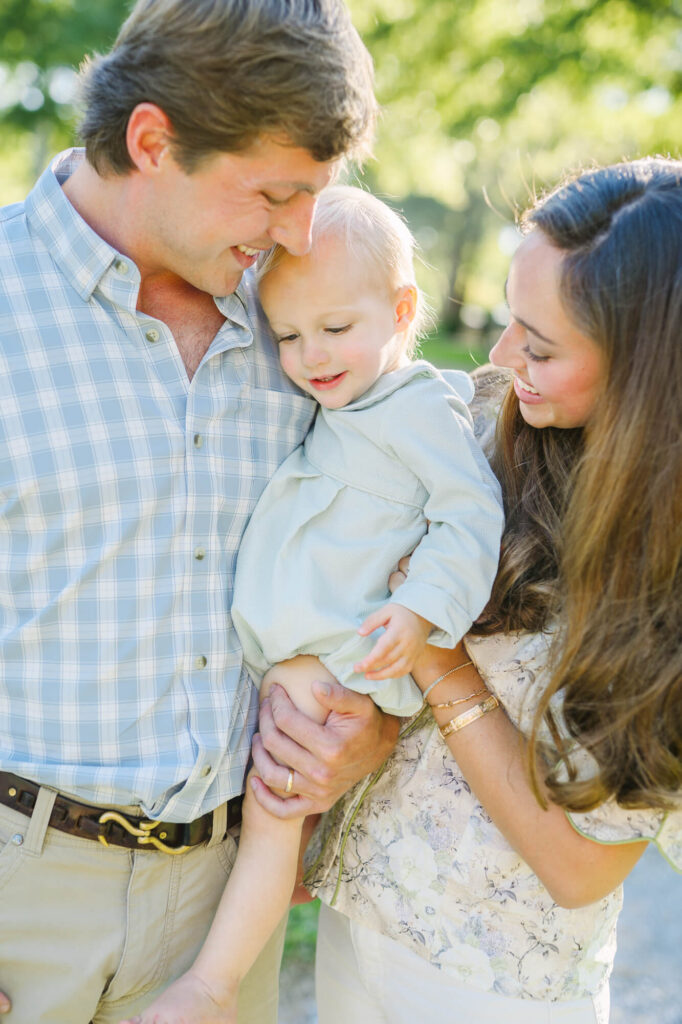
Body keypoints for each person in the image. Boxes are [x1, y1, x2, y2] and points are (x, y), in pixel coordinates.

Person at [0, 3, 403, 1022]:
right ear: (152, 140)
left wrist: (369, 734)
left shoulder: (305, 320)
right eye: (274, 194)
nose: (299, 232)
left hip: (224, 913)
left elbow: (391, 534)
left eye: (315, 197)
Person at [256, 158, 681, 1023]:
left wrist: (440, 664)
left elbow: (580, 867)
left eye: (540, 345)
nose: (498, 355)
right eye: (511, 319)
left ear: (647, 368)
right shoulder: (488, 423)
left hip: (493, 982)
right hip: (355, 919)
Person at [124, 184, 504, 1023]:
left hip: (334, 664)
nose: (310, 355)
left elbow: (471, 513)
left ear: (401, 311)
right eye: (288, 335)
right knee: (271, 826)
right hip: (295, 660)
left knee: (271, 820)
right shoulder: (342, 400)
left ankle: (213, 984)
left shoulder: (415, 407)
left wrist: (421, 611)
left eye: (335, 329)